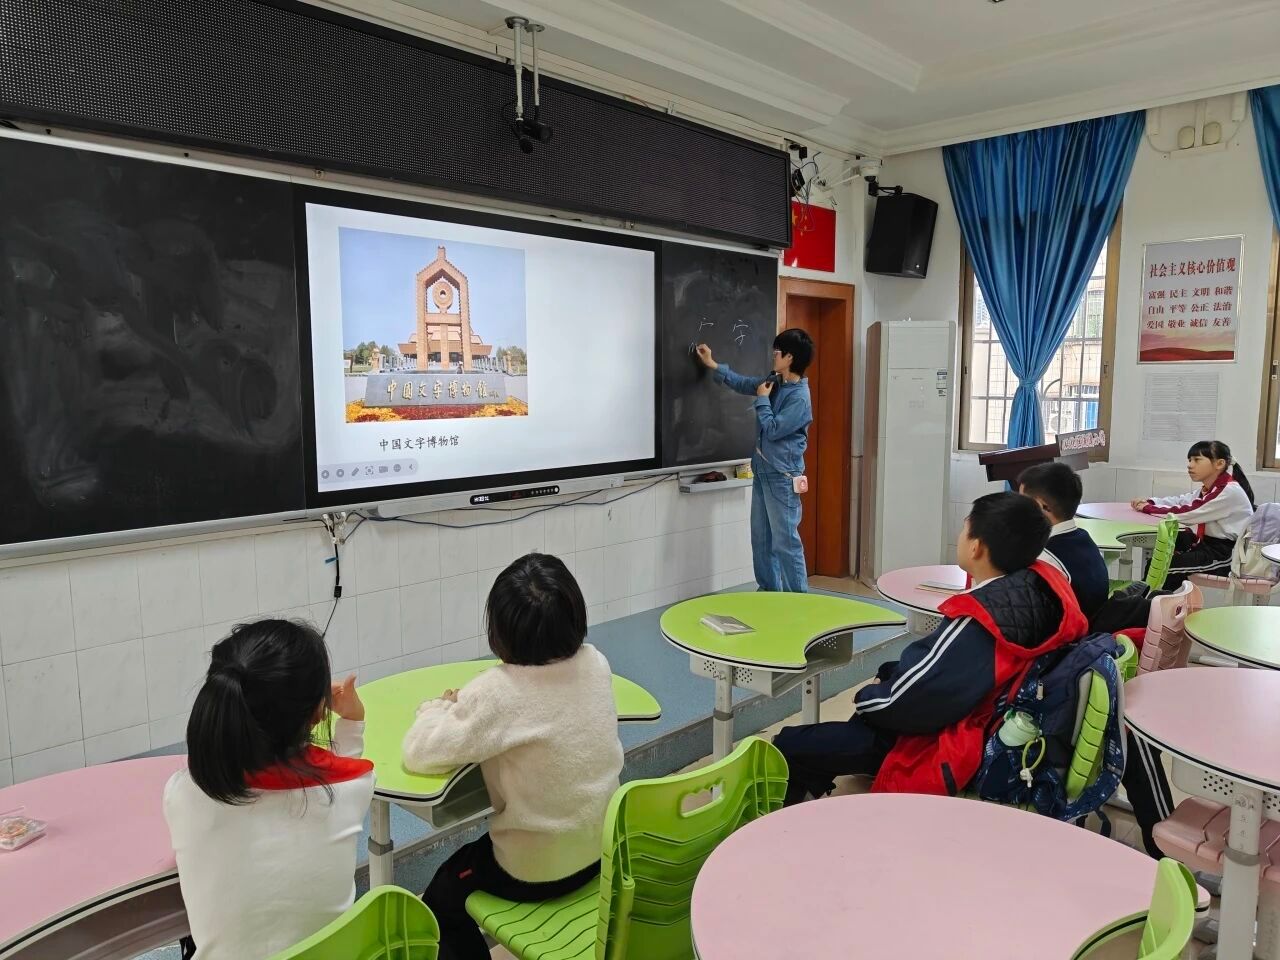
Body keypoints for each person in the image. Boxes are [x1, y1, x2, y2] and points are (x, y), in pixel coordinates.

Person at [773, 492, 1087, 806]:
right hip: (987, 718)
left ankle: (787, 822)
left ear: (976, 547)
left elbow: (908, 700)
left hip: (944, 740)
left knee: (789, 744)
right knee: (883, 680)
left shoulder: (980, 622)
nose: (961, 536)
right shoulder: (1042, 589)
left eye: (965, 528)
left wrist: (868, 698)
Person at [404, 553, 623, 960]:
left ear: (499, 631)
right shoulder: (596, 663)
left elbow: (419, 752)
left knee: (441, 896)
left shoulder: (497, 691)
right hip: (603, 852)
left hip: (532, 870)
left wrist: (436, 707)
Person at [164, 620, 373, 960]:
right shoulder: (351, 787)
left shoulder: (182, 794)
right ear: (318, 713)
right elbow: (343, 768)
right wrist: (352, 721)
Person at [695, 328, 814, 593]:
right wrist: (713, 364)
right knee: (761, 540)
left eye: (777, 352)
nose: (773, 356)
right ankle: (769, 594)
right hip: (762, 471)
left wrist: (762, 399)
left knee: (785, 542)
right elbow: (745, 383)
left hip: (782, 477)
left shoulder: (800, 398)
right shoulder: (775, 382)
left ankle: (800, 600)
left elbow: (773, 429)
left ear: (790, 357)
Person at [1130, 439, 1255, 589]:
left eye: (1197, 460)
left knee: (1163, 568)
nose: (1190, 465)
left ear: (1219, 464)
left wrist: (1148, 508)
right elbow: (1182, 501)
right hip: (1206, 545)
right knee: (1167, 551)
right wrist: (1150, 502)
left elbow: (1189, 512)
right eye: (1189, 460)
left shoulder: (1228, 491)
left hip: (1226, 555)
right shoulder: (1212, 488)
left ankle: (1144, 600)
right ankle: (1156, 599)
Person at [1018, 461, 1110, 621]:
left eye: (1022, 502)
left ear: (1043, 506)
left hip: (1071, 634)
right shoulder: (1085, 539)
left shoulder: (1045, 559)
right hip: (1095, 629)